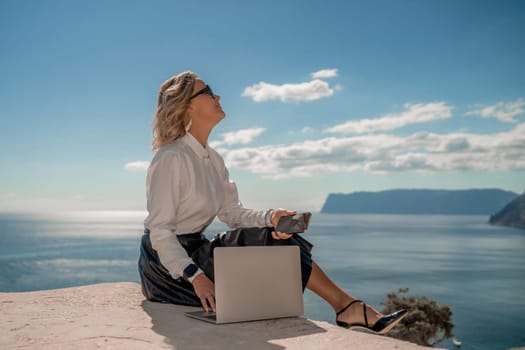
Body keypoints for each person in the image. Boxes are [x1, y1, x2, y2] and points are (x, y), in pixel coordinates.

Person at [138, 71, 407, 334]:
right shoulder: (171, 157)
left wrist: (272, 217)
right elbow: (160, 232)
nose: (217, 95)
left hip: (198, 251)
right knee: (270, 246)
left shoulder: (214, 159)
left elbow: (232, 213)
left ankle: (347, 307)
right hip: (168, 267)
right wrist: (196, 277)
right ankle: (349, 309)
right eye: (207, 91)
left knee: (279, 236)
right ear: (187, 105)